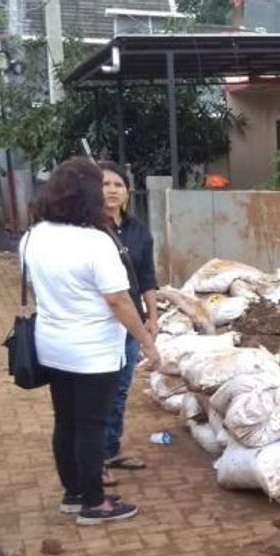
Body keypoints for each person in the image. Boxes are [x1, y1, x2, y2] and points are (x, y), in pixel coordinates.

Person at [21, 158, 159, 525]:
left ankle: (73, 494)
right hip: (94, 350)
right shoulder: (96, 242)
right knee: (91, 425)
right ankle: (95, 504)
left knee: (65, 421)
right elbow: (118, 300)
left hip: (52, 344)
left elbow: (36, 290)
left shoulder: (33, 236)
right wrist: (145, 339)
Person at [97, 162, 159, 480]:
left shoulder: (137, 230)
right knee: (98, 390)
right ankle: (95, 461)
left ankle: (110, 450)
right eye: (104, 184)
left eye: (118, 185)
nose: (111, 190)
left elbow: (147, 276)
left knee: (120, 389)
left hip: (130, 321)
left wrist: (153, 317)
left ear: (127, 192)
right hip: (98, 324)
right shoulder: (88, 229)